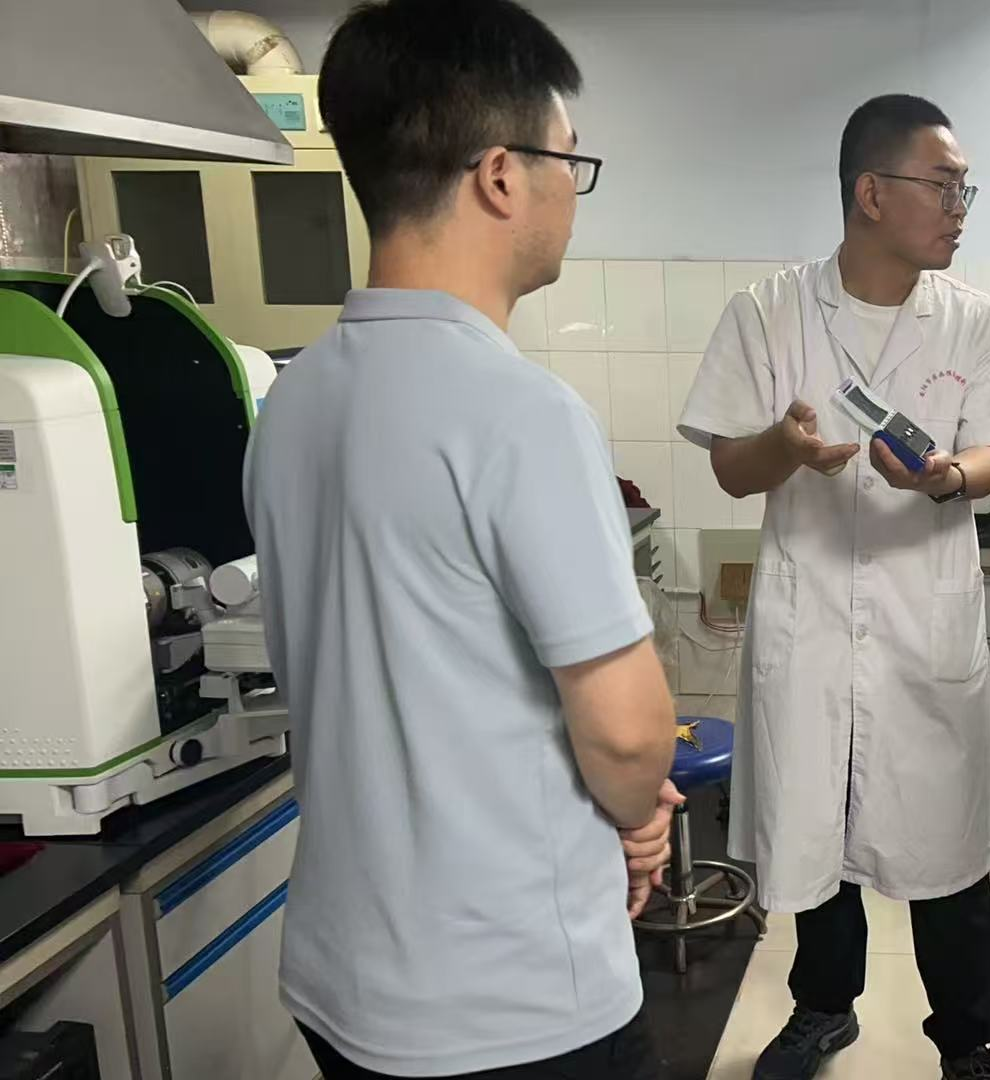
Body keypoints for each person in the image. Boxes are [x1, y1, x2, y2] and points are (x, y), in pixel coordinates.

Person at [244, 2, 681, 1076]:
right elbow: (629, 738)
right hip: (511, 1004)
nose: (571, 192)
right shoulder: (521, 415)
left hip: (343, 984)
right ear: (500, 176)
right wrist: (641, 815)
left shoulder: (291, 401)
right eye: (568, 161)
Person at [676, 94, 990, 1080]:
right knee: (815, 833)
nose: (960, 207)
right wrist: (784, 448)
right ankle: (824, 1009)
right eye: (943, 185)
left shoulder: (978, 324)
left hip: (925, 625)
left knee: (947, 848)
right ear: (871, 194)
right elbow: (730, 469)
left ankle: (967, 1041)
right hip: (813, 620)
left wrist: (946, 476)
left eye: (964, 189)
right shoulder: (769, 312)